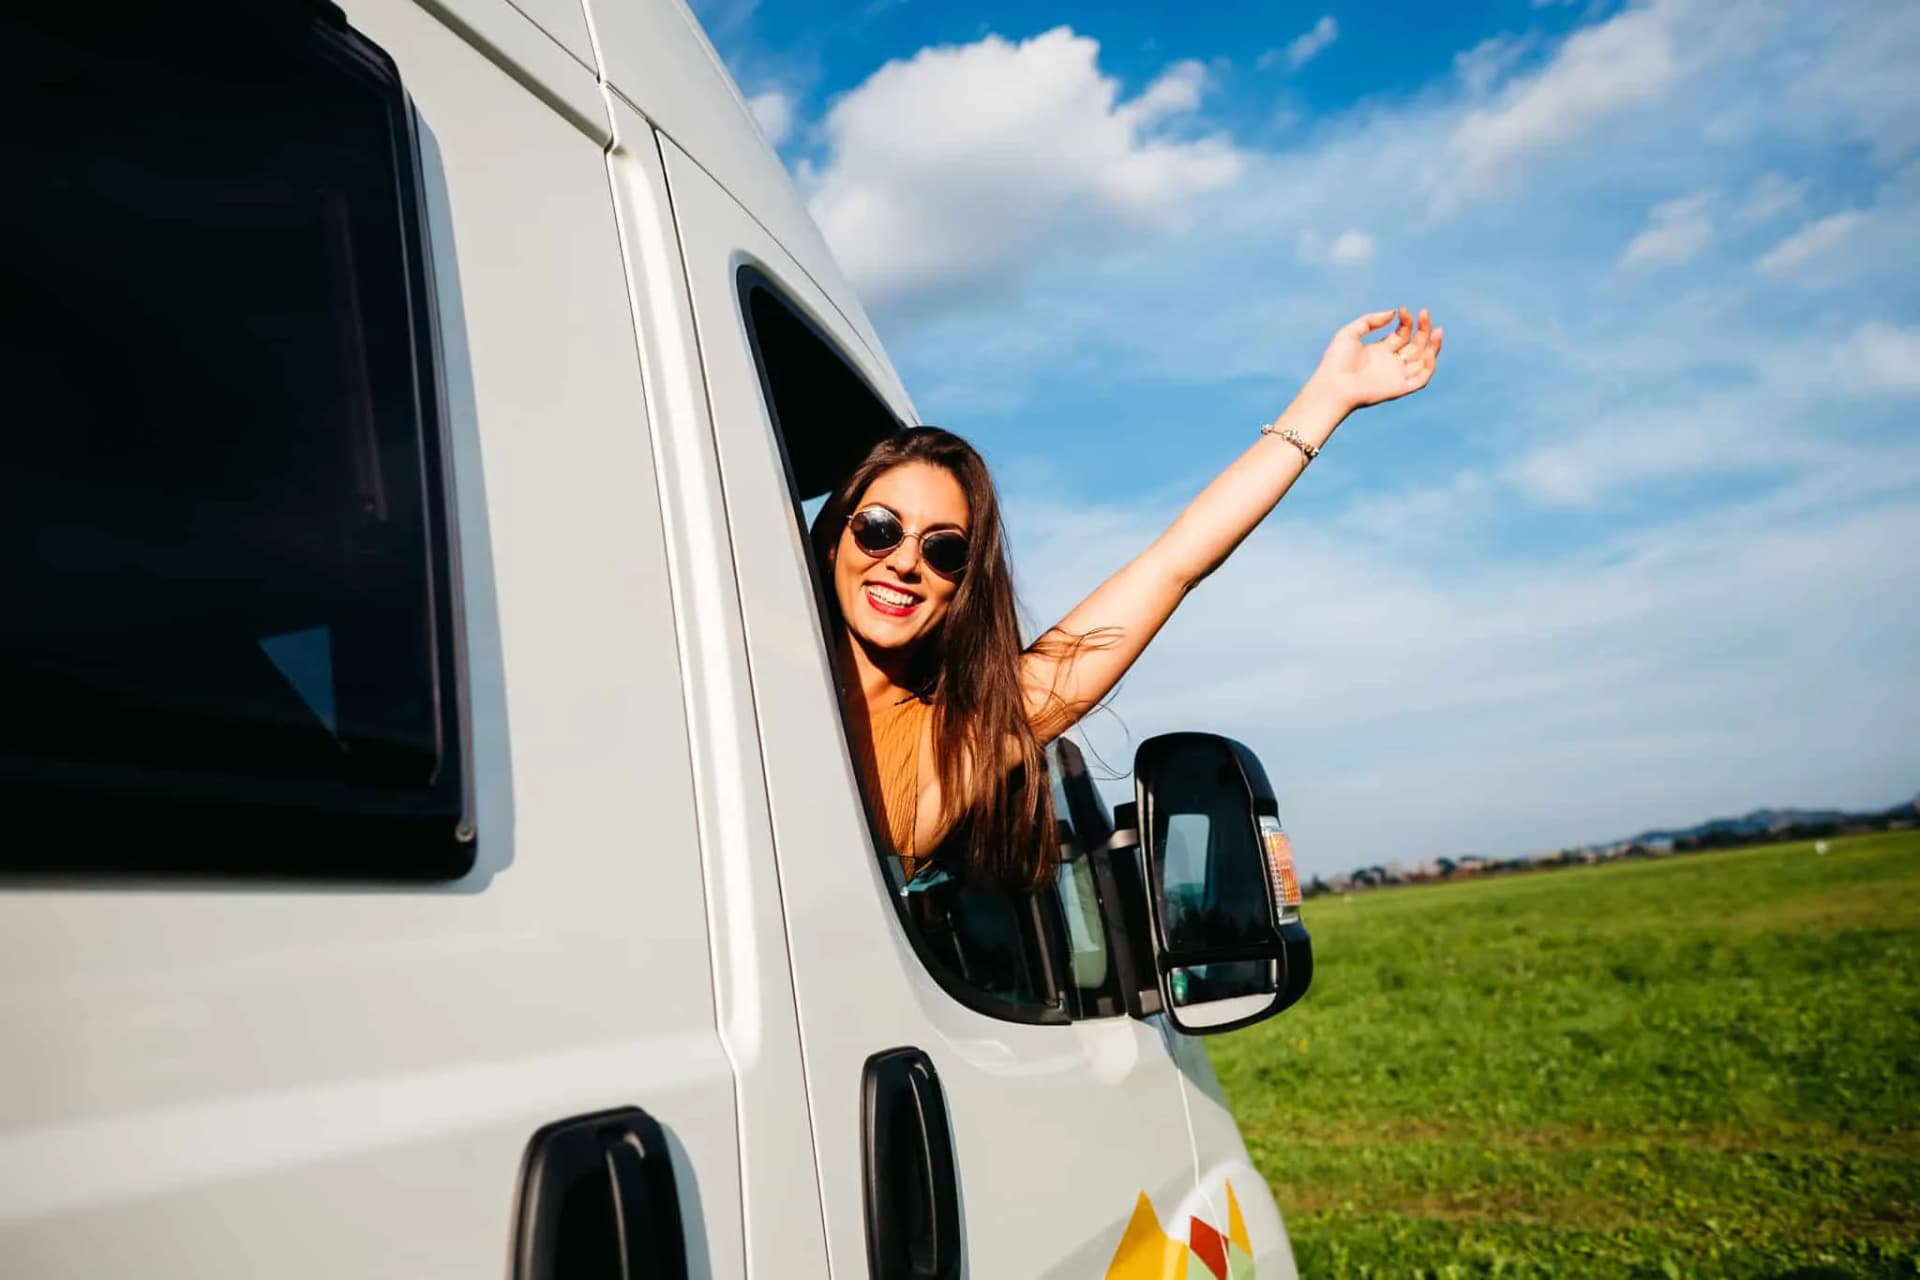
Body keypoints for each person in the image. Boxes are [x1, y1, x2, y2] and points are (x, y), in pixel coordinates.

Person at [809, 306, 1444, 889]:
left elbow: (1174, 564)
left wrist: (1325, 401)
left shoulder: (964, 738)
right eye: (879, 529)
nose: (904, 561)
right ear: (836, 538)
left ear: (962, 584)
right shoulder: (735, 647)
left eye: (943, 549)